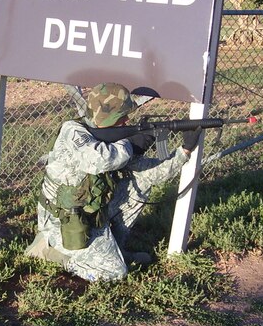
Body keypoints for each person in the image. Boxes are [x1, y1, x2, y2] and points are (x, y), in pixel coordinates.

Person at [25, 82, 202, 281]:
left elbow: (149, 173)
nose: (127, 119)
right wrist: (131, 145)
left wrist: (184, 151)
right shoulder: (72, 131)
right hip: (63, 221)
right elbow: (98, 161)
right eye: (121, 116)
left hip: (92, 212)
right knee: (114, 272)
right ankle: (52, 253)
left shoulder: (116, 143)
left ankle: (115, 249)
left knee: (140, 183)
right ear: (106, 116)